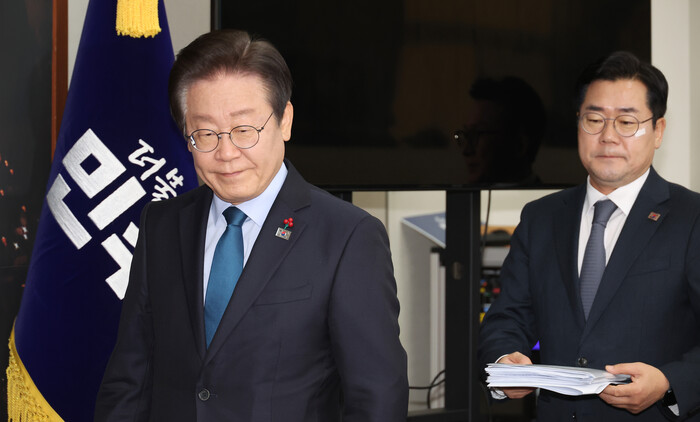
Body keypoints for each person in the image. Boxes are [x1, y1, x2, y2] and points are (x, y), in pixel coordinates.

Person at [95, 29, 408, 421]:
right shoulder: (162, 224)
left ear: (285, 121)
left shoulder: (348, 237)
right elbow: (130, 378)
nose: (226, 153)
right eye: (205, 134)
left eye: (244, 130)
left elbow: (377, 398)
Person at [478, 51, 700, 421]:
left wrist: (668, 382)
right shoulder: (541, 217)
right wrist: (505, 362)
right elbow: (507, 317)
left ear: (658, 130)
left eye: (627, 122)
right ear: (578, 124)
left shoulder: (691, 217)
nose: (608, 136)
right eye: (594, 119)